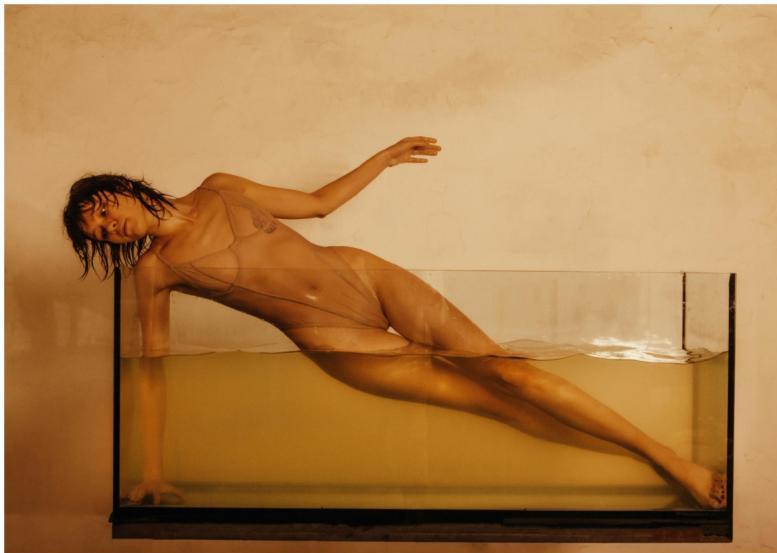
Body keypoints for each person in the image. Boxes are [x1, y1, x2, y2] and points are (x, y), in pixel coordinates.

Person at [63, 136, 727, 509]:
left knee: (509, 372)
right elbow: (151, 370)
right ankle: (655, 468)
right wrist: (150, 471)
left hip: (366, 275)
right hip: (339, 341)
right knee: (499, 407)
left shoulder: (220, 185)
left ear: (121, 186)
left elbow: (320, 206)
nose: (110, 222)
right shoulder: (154, 270)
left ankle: (667, 459)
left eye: (102, 206)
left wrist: (383, 158)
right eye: (98, 229)